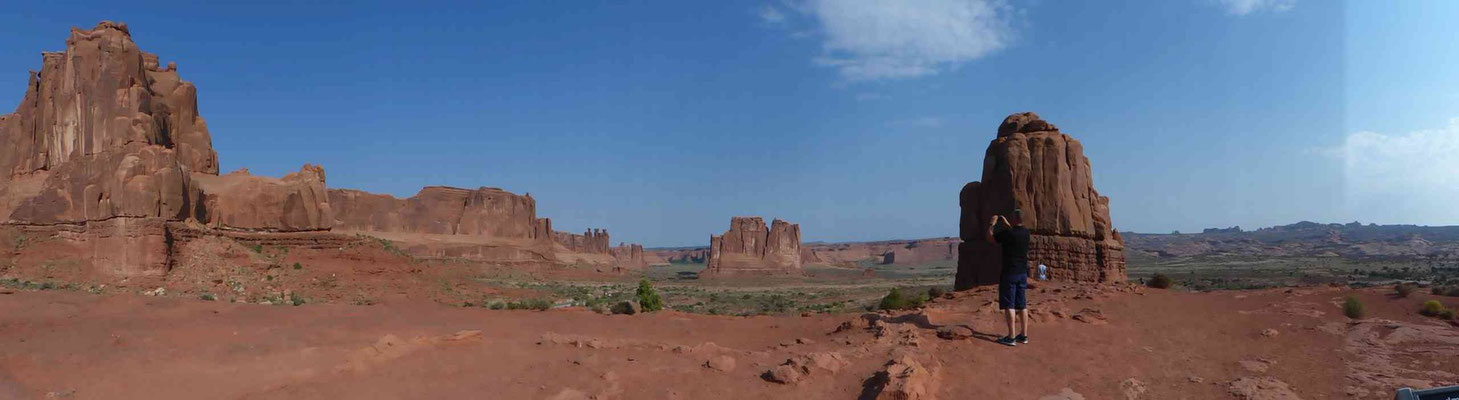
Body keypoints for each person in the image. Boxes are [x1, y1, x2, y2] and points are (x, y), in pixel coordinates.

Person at [986, 209, 1031, 346]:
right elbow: (1014, 233)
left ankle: (1011, 337)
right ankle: (1023, 335)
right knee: (1022, 304)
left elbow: (990, 238)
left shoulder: (1007, 234)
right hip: (1023, 273)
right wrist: (1007, 223)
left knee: (1009, 305)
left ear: (1014, 219)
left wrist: (991, 224)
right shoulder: (1026, 233)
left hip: (1010, 273)